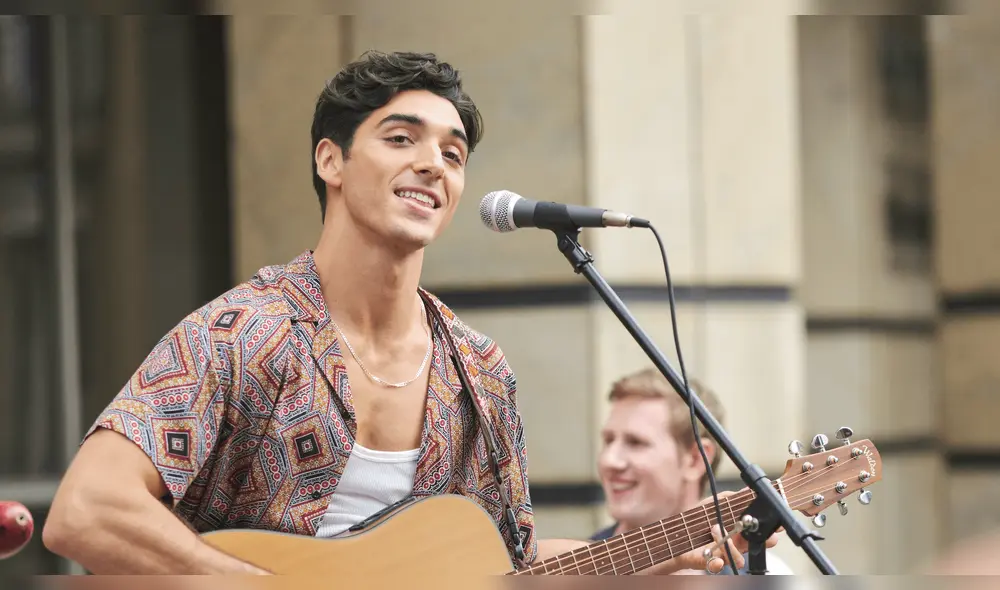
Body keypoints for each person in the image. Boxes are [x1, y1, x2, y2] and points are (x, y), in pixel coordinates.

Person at [42, 50, 770, 576]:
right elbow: (86, 513)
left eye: (453, 154)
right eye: (402, 139)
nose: (434, 165)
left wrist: (646, 558)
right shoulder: (244, 333)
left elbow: (509, 567)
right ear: (331, 161)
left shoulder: (477, 370)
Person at [592, 367, 792, 575]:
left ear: (696, 459)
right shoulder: (572, 565)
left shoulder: (768, 574)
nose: (609, 460)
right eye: (608, 441)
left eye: (636, 442)